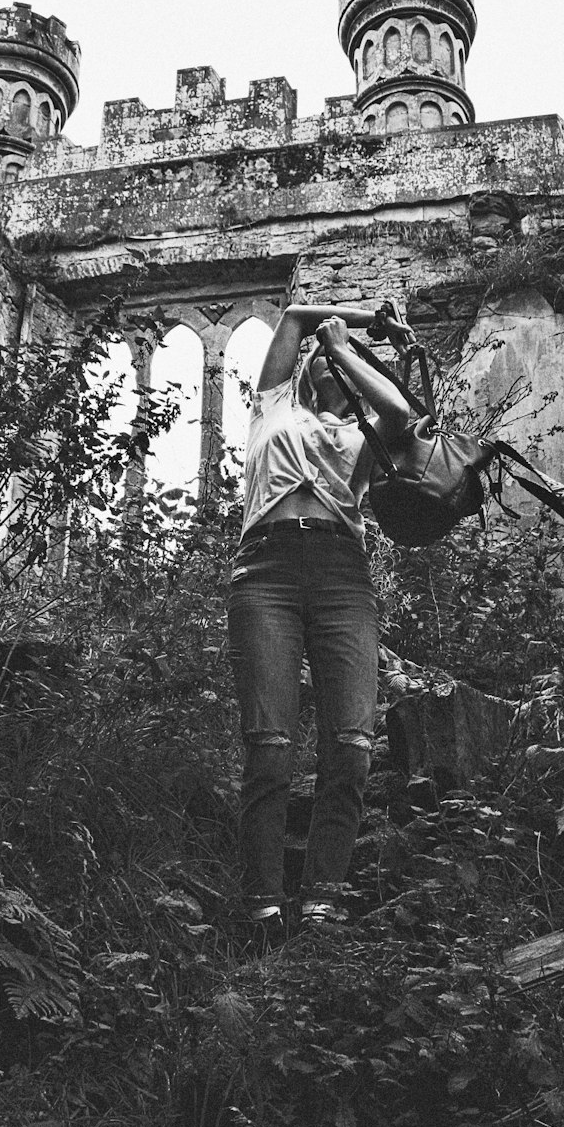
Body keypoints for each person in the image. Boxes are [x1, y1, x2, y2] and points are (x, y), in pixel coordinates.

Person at [227, 302, 414, 950]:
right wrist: (359, 320)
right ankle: (262, 913)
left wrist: (352, 351)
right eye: (316, 360)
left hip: (342, 573)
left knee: (352, 746)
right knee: (271, 746)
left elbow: (401, 415)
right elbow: (294, 315)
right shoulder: (272, 405)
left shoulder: (364, 431)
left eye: (333, 364)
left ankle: (324, 907)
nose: (321, 363)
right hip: (266, 571)